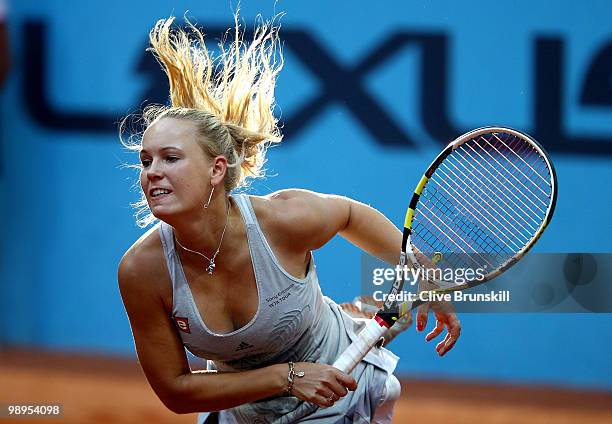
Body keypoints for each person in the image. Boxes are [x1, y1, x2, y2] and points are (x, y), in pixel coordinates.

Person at [118, 13, 461, 424]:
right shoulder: (142, 270)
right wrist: (288, 377)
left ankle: (357, 316)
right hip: (247, 413)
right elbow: (176, 390)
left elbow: (350, 215)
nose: (152, 171)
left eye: (170, 158)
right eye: (146, 160)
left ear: (216, 170)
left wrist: (423, 272)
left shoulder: (282, 219)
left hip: (342, 398)